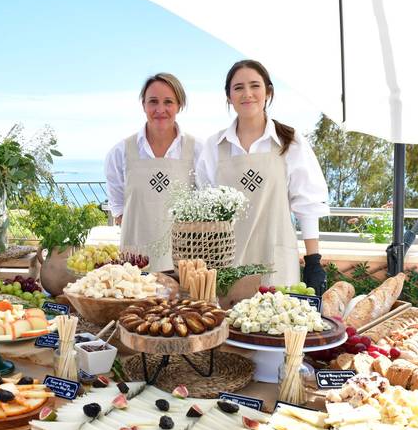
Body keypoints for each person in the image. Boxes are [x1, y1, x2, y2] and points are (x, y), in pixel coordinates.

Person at [197, 60, 330, 294]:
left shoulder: (290, 141)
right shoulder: (213, 146)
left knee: (274, 325)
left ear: (268, 92)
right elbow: (204, 212)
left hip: (275, 258)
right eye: (238, 87)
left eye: (255, 86)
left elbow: (307, 205)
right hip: (227, 262)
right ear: (228, 96)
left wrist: (313, 261)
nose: (247, 94)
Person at [104, 73, 203, 272]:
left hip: (184, 262)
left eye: (168, 102)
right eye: (153, 102)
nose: (160, 110)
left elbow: (204, 209)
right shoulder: (120, 152)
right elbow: (119, 209)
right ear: (143, 105)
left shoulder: (198, 150)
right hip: (134, 264)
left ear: (179, 105)